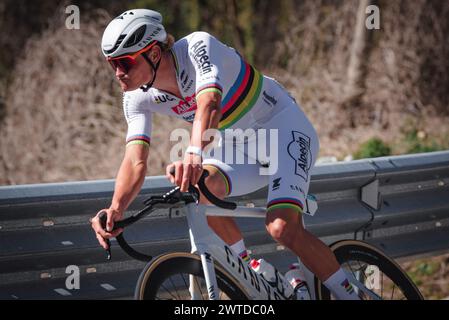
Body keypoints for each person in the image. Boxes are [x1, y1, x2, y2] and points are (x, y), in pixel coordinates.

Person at [90, 9, 359, 300]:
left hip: (282, 129)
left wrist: (194, 154)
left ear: (154, 53)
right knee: (197, 188)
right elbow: (135, 159)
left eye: (124, 62)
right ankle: (253, 270)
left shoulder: (197, 47)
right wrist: (116, 208)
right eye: (111, 63)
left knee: (281, 228)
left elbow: (210, 103)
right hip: (237, 148)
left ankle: (352, 296)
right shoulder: (135, 97)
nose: (118, 72)